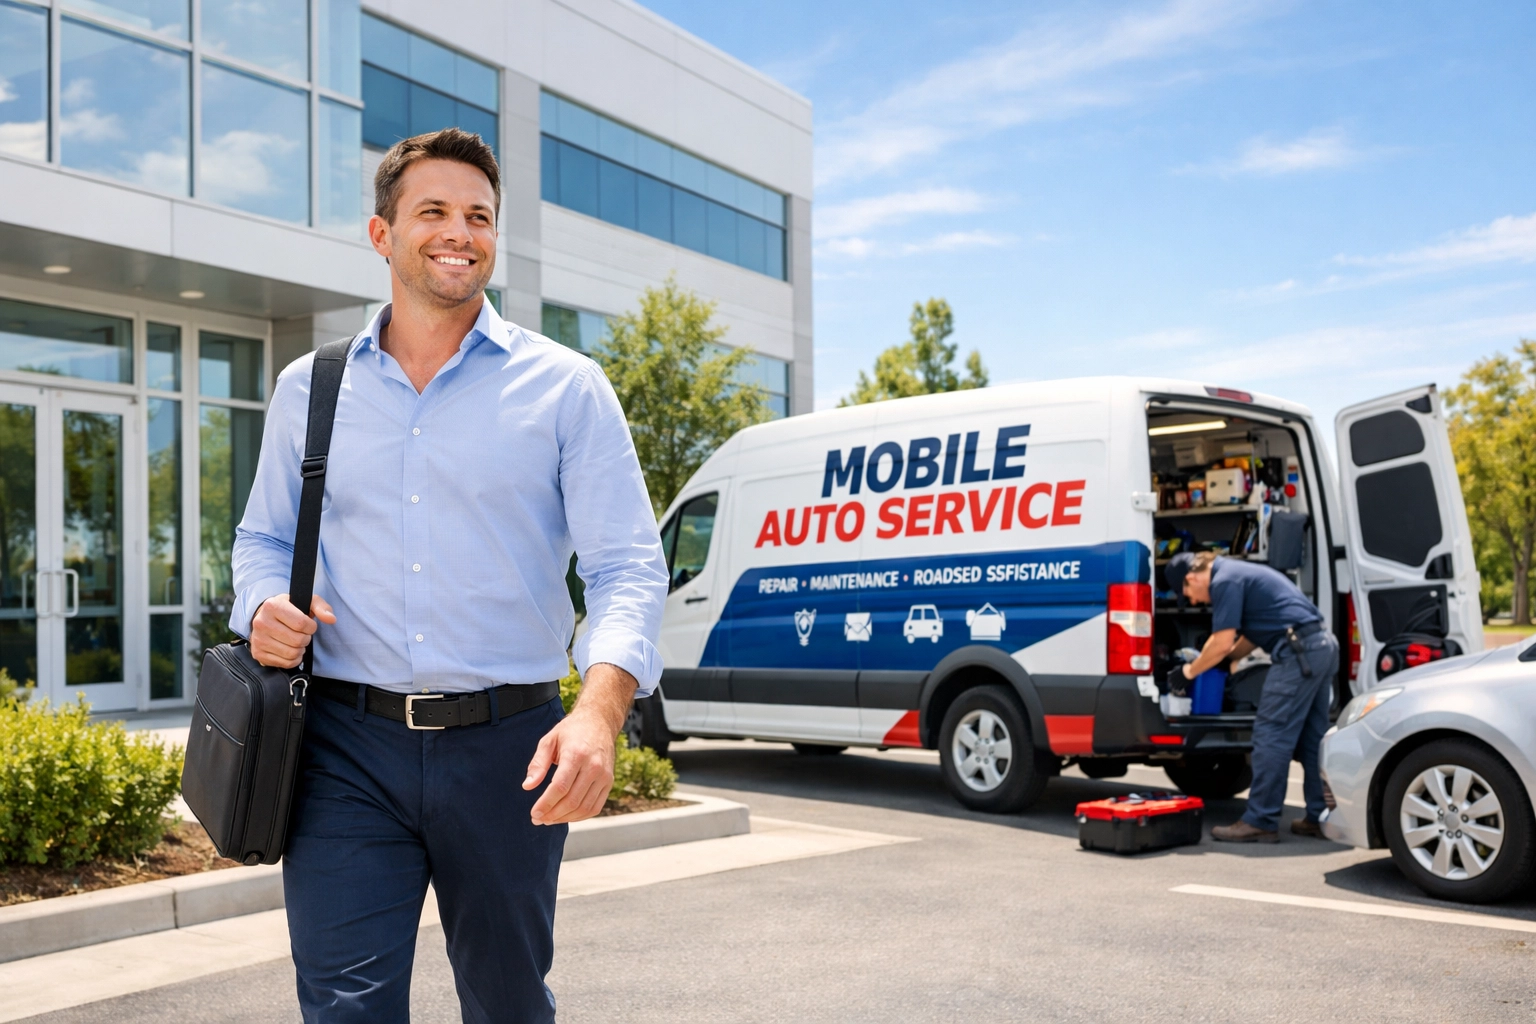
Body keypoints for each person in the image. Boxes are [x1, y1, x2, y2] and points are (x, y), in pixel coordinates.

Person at [231, 128, 668, 1023]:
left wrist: (599, 710)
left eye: (479, 215)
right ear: (381, 233)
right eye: (432, 210)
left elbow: (626, 565)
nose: (458, 232)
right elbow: (261, 540)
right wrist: (260, 605)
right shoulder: (308, 389)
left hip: (510, 748)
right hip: (343, 749)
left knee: (508, 1004)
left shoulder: (567, 387)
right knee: (345, 1008)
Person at [1164, 550, 1339, 843]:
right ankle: (1318, 816)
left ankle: (1261, 820)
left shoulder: (1225, 581)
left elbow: (1220, 642)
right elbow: (1250, 637)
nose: (1194, 601)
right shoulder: (1239, 573)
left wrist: (1189, 672)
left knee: (1271, 734)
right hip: (1319, 645)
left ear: (1192, 578)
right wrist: (1225, 661)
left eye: (1188, 594)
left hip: (1299, 654)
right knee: (1312, 737)